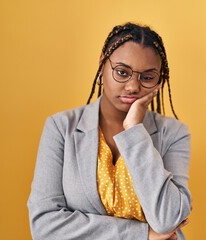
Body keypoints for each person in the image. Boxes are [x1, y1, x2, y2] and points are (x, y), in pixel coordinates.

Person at [28, 22, 192, 240]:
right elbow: (44, 225)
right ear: (102, 64)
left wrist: (134, 131)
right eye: (122, 72)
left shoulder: (173, 133)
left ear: (159, 81)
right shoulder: (61, 128)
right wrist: (142, 234)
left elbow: (168, 219)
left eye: (148, 77)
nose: (133, 86)